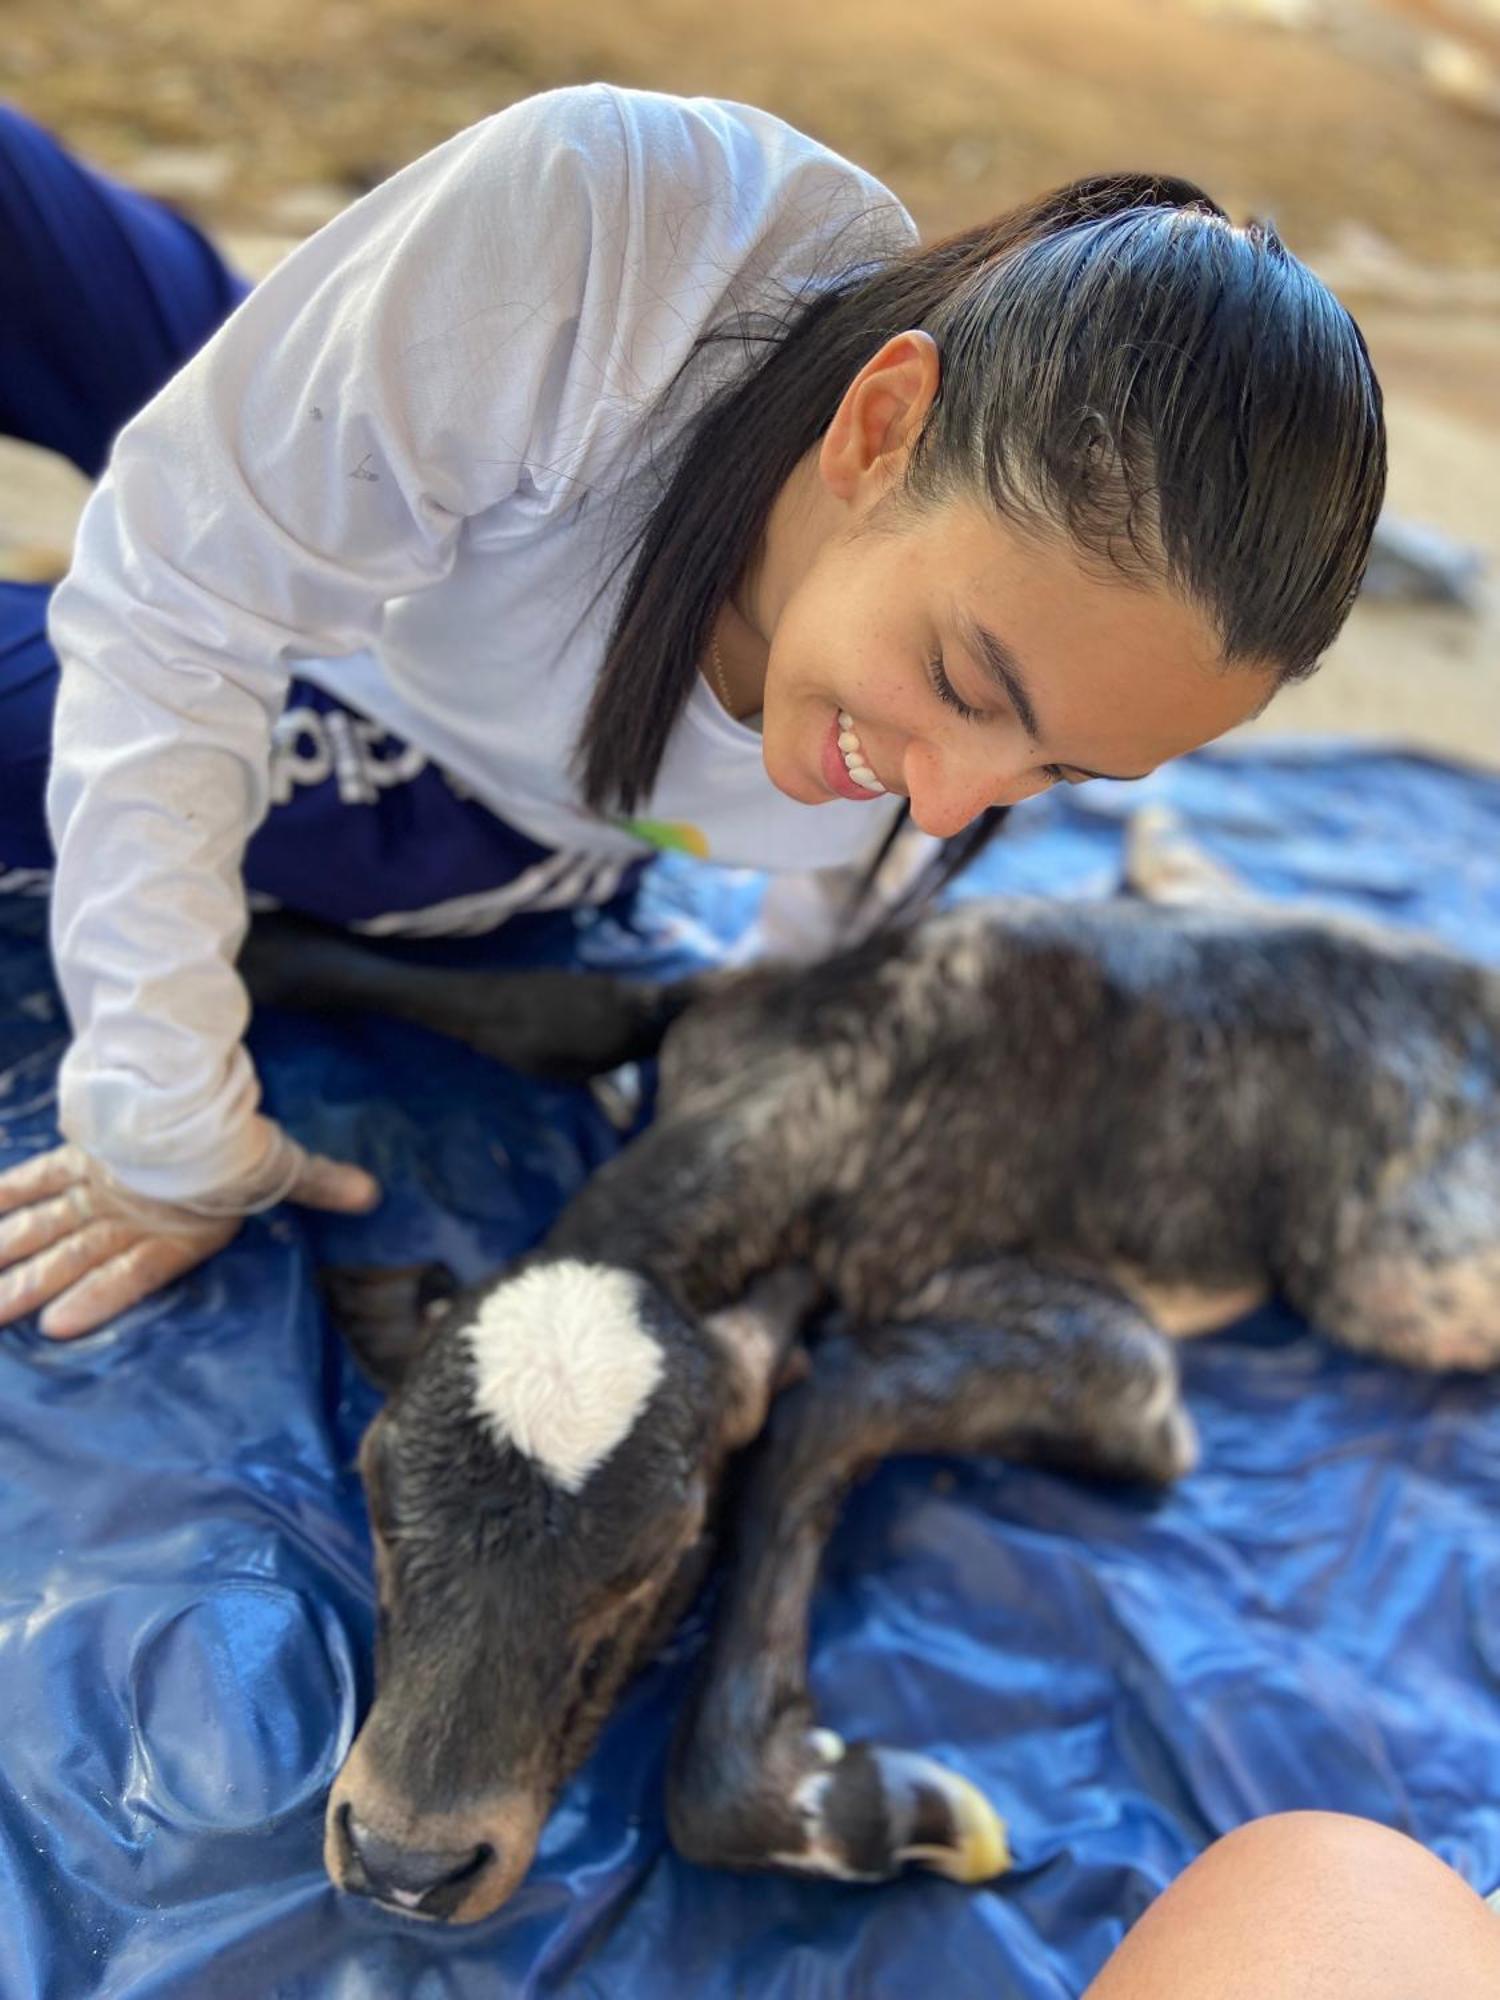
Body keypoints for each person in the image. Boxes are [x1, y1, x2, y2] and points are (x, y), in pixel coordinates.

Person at [0, 83, 1385, 1340]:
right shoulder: (613, 238)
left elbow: (169, 616)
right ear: (879, 424)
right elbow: (186, 588)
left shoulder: (882, 801)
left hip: (444, 767)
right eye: (968, 686)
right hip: (456, 522)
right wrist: (164, 1105)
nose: (952, 802)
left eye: (1065, 769)